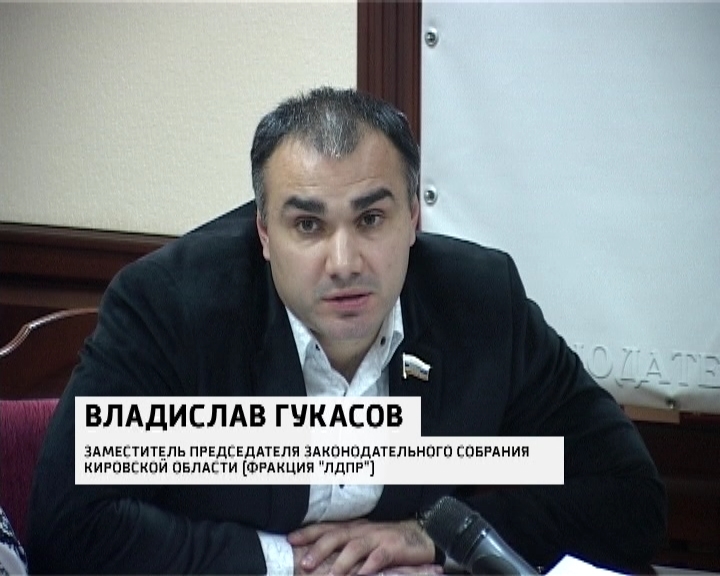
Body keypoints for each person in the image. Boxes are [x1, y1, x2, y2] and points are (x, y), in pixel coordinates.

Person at [27, 87, 666, 574]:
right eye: (308, 225)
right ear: (263, 233)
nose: (344, 263)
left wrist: (434, 535)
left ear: (413, 218)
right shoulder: (169, 307)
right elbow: (70, 529)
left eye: (371, 219)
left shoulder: (480, 302)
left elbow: (626, 496)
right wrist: (293, 563)